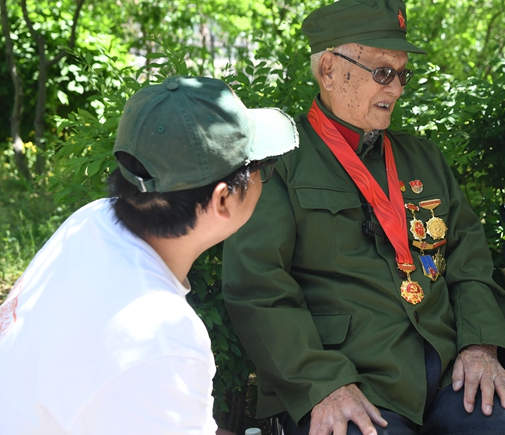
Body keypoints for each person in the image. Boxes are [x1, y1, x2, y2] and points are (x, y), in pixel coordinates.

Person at [222, 0, 505, 435]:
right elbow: (257, 288)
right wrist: (323, 384)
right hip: (349, 383)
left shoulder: (425, 159)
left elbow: (470, 263)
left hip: (451, 374)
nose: (395, 88)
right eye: (381, 72)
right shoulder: (279, 163)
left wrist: (479, 346)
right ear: (330, 70)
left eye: (401, 74)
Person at [0, 76, 299, 435]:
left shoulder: (90, 223)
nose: (261, 180)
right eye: (258, 170)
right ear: (222, 199)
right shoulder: (161, 338)